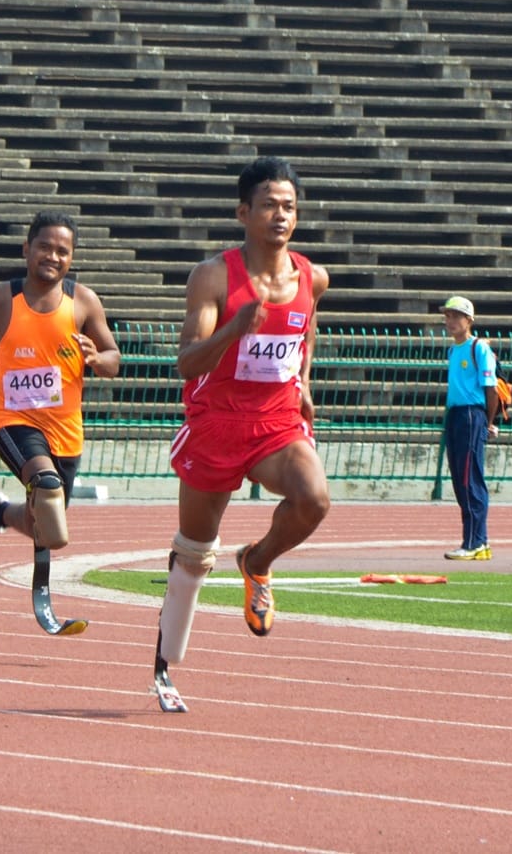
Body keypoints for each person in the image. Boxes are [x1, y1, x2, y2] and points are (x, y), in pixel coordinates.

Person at [151, 156, 331, 712]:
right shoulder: (212, 277)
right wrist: (234, 328)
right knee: (193, 555)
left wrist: (301, 379)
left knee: (314, 499)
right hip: (216, 424)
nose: (282, 216)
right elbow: (186, 363)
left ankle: (257, 562)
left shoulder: (311, 276)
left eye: (290, 207)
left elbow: (307, 325)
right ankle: (164, 669)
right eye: (270, 205)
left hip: (276, 421)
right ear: (243, 212)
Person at [0, 211, 122, 634]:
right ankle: (39, 588)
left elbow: (114, 359)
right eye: (44, 246)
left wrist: (97, 359)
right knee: (46, 490)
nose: (53, 256)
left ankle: (2, 514)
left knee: (50, 527)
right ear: (27, 249)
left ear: (72, 258)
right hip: (13, 420)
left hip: (66, 430)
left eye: (63, 250)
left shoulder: (83, 301)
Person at [439, 295, 500, 563]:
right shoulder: (453, 350)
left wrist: (487, 422)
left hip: (471, 415)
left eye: (456, 316)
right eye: (448, 316)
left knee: (469, 479)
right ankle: (480, 541)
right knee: (459, 479)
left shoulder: (479, 349)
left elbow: (491, 389)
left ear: (468, 320)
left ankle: (473, 542)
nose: (450, 321)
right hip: (455, 414)